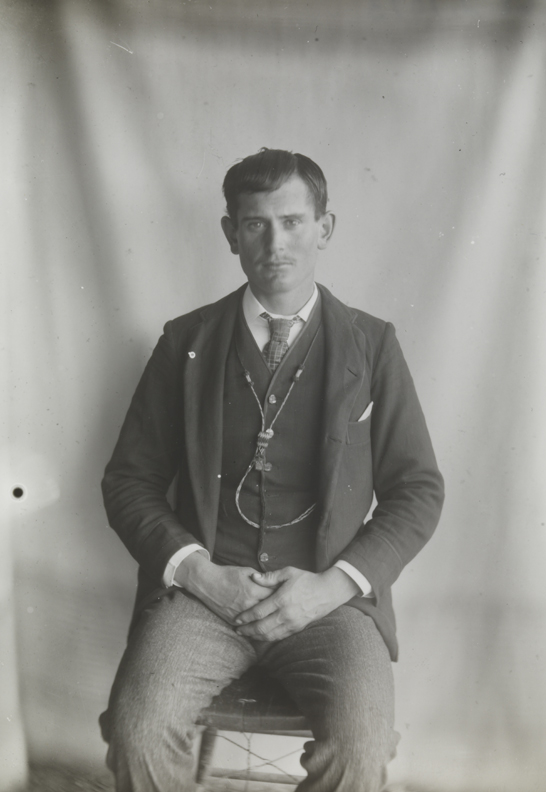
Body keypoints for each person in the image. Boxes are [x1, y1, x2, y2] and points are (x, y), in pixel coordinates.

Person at [100, 148, 444, 792]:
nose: (275, 242)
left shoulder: (373, 345)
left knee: (361, 746)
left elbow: (418, 491)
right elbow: (128, 482)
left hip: (329, 605)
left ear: (325, 228)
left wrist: (334, 585)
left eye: (292, 222)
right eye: (255, 224)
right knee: (139, 730)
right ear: (231, 234)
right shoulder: (185, 342)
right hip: (204, 598)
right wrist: (200, 573)